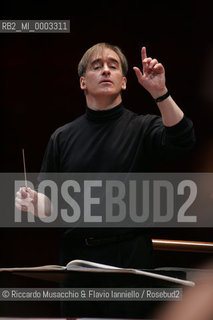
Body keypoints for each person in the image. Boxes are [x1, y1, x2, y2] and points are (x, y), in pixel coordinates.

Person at [15, 42, 196, 317]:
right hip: (78, 261)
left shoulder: (142, 127)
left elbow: (183, 137)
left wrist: (160, 93)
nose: (105, 71)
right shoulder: (62, 137)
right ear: (82, 82)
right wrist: (32, 202)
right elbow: (49, 208)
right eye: (96, 67)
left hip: (130, 258)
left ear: (124, 82)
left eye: (113, 66)